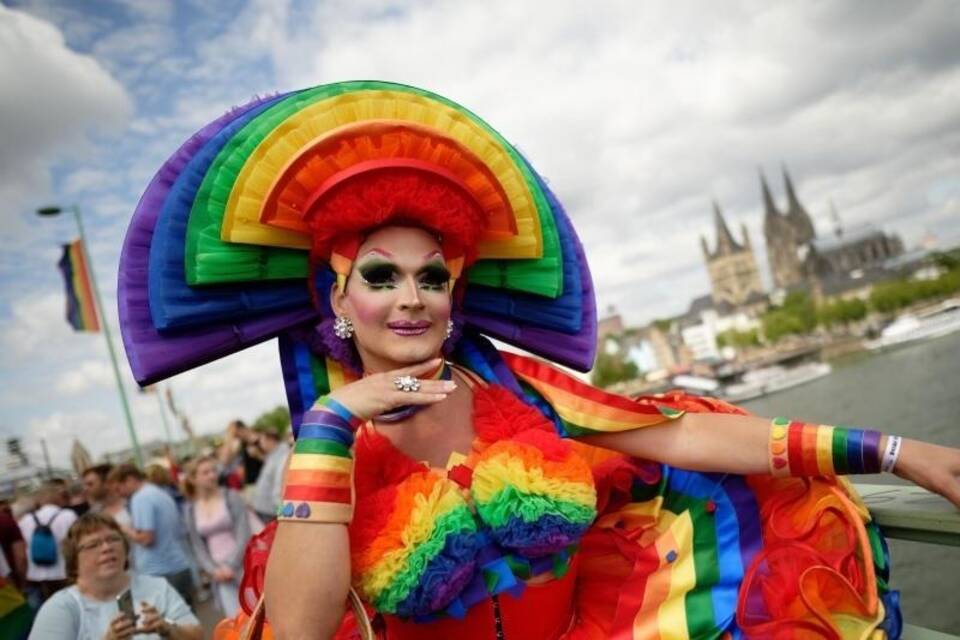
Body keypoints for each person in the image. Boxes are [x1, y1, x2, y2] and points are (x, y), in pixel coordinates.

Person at [119, 81, 960, 640]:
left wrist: (898, 451)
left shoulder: (509, 391)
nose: (411, 296)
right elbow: (300, 630)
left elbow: (680, 440)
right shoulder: (329, 448)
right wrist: (333, 425)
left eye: (432, 277)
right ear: (337, 299)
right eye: (381, 275)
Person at [27, 512, 202, 640]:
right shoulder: (61, 608)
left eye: (113, 539)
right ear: (74, 560)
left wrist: (168, 629)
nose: (106, 548)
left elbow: (197, 635)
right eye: (93, 544)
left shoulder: (156, 586)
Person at [108, 465, 193, 607]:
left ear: (129, 480)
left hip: (160, 571)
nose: (119, 494)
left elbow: (147, 538)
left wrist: (124, 529)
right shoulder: (158, 492)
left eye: (118, 488)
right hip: (177, 565)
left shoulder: (141, 498)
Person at [182, 455, 253, 617]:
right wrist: (213, 570)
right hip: (219, 575)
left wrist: (230, 565)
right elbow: (197, 545)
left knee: (257, 615)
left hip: (243, 566)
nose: (212, 475)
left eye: (213, 471)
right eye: (205, 472)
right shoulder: (191, 510)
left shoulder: (231, 496)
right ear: (193, 479)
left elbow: (244, 533)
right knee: (235, 620)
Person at [17, 482, 77, 612]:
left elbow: (21, 554)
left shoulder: (26, 520)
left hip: (35, 577)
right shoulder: (68, 515)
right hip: (63, 574)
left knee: (43, 613)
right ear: (58, 497)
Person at [250, 424, 290, 524]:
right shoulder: (273, 455)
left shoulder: (282, 455)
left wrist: (282, 514)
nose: (261, 445)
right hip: (265, 510)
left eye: (262, 441)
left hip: (271, 512)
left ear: (271, 440)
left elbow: (279, 488)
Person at [82, 465, 133, 530]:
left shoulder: (133, 503)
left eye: (90, 484)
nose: (85, 489)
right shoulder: (92, 515)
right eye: (85, 485)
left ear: (106, 483)